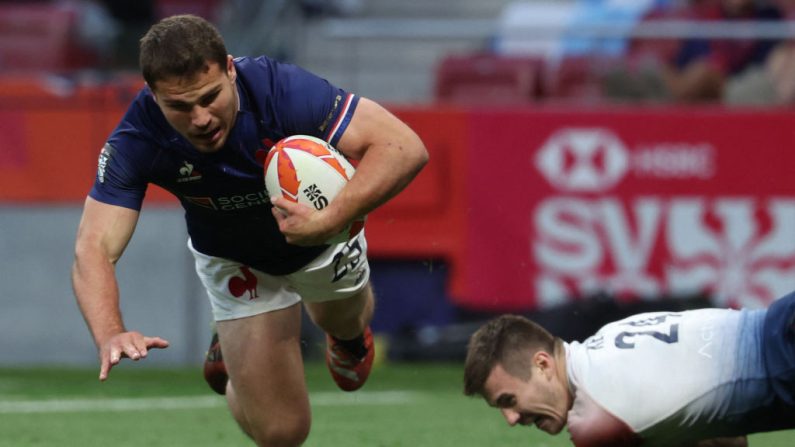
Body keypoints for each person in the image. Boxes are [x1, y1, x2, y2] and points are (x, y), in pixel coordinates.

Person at [71, 14, 428, 447]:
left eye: (209, 98)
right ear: (152, 94)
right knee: (283, 432)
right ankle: (239, 357)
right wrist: (110, 330)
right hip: (235, 259)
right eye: (180, 107)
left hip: (320, 238)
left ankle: (347, 339)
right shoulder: (137, 137)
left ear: (229, 68)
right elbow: (93, 246)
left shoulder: (283, 92)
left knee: (345, 319)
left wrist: (329, 221)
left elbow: (405, 147)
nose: (200, 118)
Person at [463, 290, 795, 446]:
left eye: (509, 401)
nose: (511, 419)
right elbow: (724, 438)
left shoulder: (595, 420)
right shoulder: (611, 335)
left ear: (542, 364)